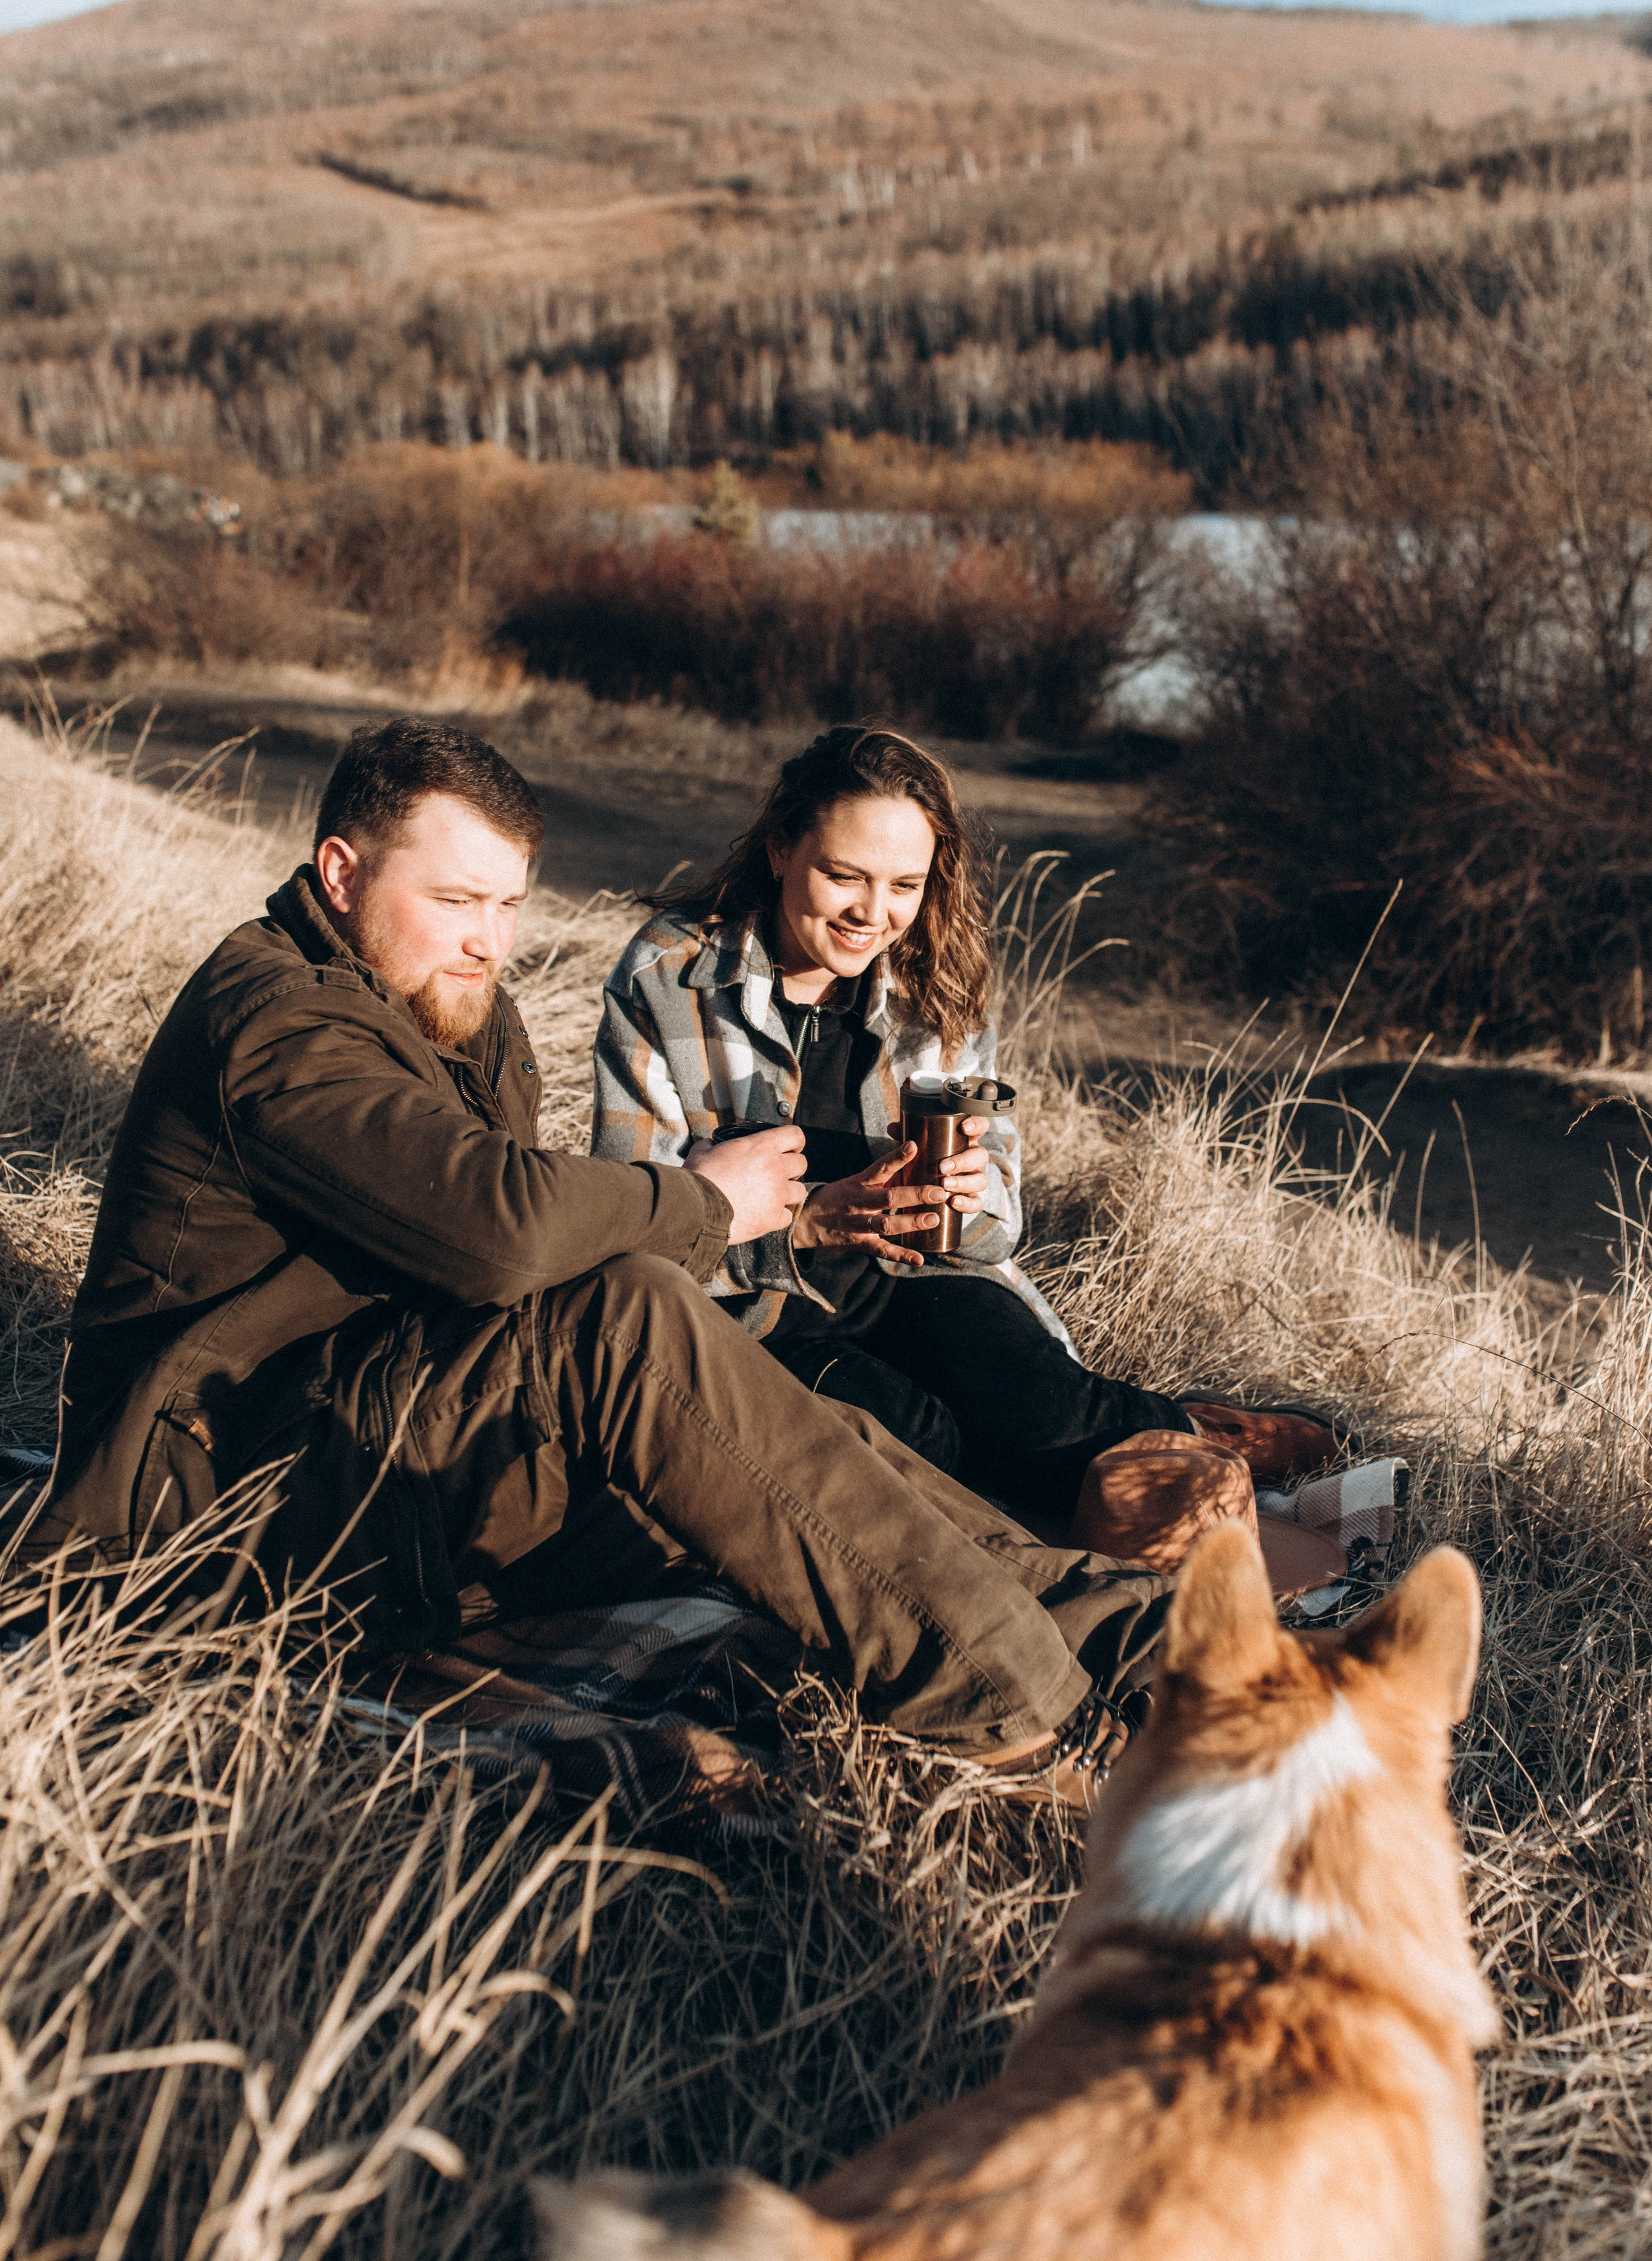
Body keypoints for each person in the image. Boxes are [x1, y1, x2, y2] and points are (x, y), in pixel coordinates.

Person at [30, 716, 1173, 1798]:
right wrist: (706, 1204)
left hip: (392, 1446)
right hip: (228, 1502)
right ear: (341, 874)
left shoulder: (454, 1005)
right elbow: (505, 1228)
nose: (491, 937)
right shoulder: (277, 1021)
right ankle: (1024, 1712)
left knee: (795, 1435)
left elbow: (515, 1271)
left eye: (510, 903)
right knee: (633, 1316)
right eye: (455, 899)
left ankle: (1145, 1639)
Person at [592, 724, 1327, 1525]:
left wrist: (973, 1200)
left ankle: (1198, 1430)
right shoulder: (670, 975)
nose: (873, 915)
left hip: (917, 1277)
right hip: (759, 1312)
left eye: (904, 885)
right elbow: (637, 1237)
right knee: (922, 1451)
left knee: (1045, 1416)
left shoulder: (932, 975)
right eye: (844, 876)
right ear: (778, 850)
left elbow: (996, 1226)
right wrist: (804, 1226)